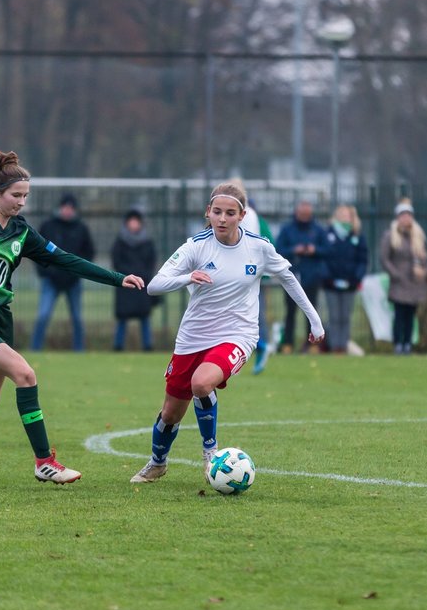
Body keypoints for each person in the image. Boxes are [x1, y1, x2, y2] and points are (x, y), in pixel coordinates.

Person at [0, 150, 146, 484]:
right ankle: (44, 462)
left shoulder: (22, 232)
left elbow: (66, 259)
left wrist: (116, 278)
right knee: (25, 374)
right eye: (16, 195)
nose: (22, 202)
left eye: (26, 196)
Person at [129, 181, 324, 484]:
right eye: (217, 212)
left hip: (238, 334)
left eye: (230, 213)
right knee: (170, 413)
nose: (222, 218)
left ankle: (211, 454)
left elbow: (288, 278)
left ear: (242, 215)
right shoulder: (196, 245)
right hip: (193, 337)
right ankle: (158, 463)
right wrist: (186, 277)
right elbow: (154, 286)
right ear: (208, 212)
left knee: (201, 383)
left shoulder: (259, 247)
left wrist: (314, 320)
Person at [30, 193, 95, 351]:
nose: (67, 210)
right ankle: (35, 349)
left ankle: (79, 351)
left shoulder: (81, 228)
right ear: (60, 207)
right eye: (65, 207)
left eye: (71, 207)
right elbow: (36, 250)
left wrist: (78, 272)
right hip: (50, 280)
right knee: (43, 316)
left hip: (73, 281)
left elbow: (89, 252)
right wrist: (45, 272)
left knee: (77, 318)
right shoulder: (48, 226)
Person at [273, 199, 328, 353]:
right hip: (292, 277)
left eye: (307, 211)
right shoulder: (287, 229)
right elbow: (278, 248)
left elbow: (327, 250)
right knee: (290, 312)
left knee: (311, 311)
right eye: (302, 211)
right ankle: (288, 344)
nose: (304, 214)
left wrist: (314, 250)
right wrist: (294, 250)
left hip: (312, 276)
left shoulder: (318, 230)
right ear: (297, 211)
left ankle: (312, 344)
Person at [378, 199, 427, 354]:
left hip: (414, 283)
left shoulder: (418, 236)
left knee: (410, 316)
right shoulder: (390, 236)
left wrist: (422, 270)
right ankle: (398, 343)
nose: (406, 218)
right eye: (403, 215)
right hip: (399, 283)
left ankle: (408, 343)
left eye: (408, 215)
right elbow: (384, 258)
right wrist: (395, 274)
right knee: (399, 315)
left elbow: (425, 257)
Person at [321, 204, 367, 354]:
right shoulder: (327, 234)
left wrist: (356, 278)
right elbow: (323, 257)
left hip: (350, 283)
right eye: (341, 214)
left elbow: (362, 259)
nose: (344, 217)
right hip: (331, 284)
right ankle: (335, 347)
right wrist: (328, 277)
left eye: (347, 215)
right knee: (334, 316)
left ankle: (344, 344)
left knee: (346, 316)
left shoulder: (357, 236)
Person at [110, 209, 158, 351]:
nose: (133, 224)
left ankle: (148, 346)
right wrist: (127, 275)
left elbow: (151, 262)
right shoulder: (119, 242)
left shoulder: (147, 242)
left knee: (144, 317)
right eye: (131, 221)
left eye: (136, 221)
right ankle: (117, 346)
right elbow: (116, 262)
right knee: (122, 318)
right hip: (125, 284)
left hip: (142, 284)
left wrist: (142, 275)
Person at [241, 192, 276, 373]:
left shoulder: (253, 218)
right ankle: (260, 346)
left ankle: (261, 345)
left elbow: (265, 246)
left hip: (251, 277)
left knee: (255, 314)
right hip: (243, 276)